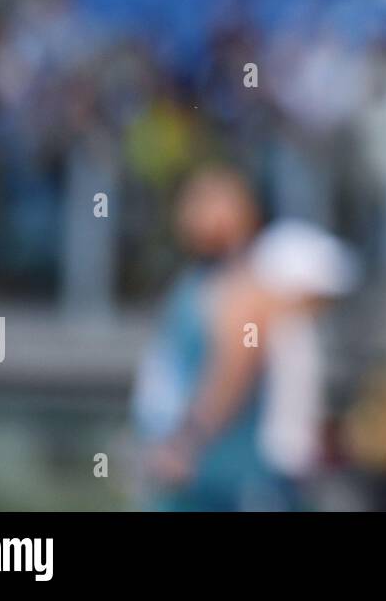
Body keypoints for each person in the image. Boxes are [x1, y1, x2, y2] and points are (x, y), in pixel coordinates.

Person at [132, 165, 355, 510]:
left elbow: (231, 371)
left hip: (223, 472)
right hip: (201, 471)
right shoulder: (202, 280)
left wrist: (186, 442)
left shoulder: (247, 284)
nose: (195, 213)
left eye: (210, 201)